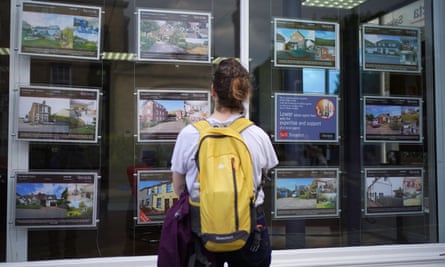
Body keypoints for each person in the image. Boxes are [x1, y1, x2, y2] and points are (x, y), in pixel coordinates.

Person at [170, 58, 279, 267]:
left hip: (202, 227)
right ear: (245, 94)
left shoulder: (189, 134)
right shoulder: (257, 135)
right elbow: (266, 172)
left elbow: (179, 187)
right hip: (250, 227)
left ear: (213, 91)